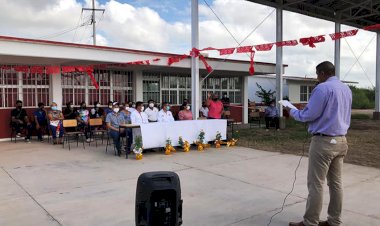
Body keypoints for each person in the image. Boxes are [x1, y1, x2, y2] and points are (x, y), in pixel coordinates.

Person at [287, 61, 352, 226]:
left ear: (323, 73)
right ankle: (334, 220)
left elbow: (309, 115)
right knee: (336, 183)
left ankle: (310, 221)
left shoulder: (322, 88)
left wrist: (292, 111)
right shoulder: (346, 89)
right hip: (341, 140)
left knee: (316, 183)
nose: (317, 78)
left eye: (317, 74)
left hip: (323, 142)